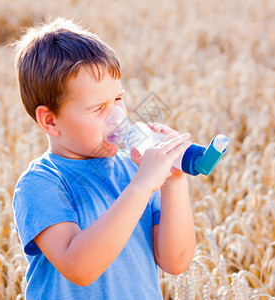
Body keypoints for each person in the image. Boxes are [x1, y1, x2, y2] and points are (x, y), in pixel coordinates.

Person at [12, 18, 196, 299]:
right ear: (50, 120)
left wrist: (174, 180)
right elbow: (81, 268)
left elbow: (176, 261)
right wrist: (142, 186)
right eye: (98, 108)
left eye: (118, 100)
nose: (117, 117)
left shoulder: (134, 170)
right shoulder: (40, 184)